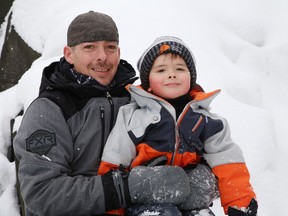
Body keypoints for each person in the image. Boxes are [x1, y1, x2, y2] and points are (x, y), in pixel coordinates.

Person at [13, 12, 193, 216]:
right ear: (69, 54)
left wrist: (194, 179)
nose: (102, 57)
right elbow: (42, 194)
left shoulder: (140, 101)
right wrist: (126, 187)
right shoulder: (50, 110)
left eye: (110, 47)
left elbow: (180, 152)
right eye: (89, 47)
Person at [98, 36, 258, 216]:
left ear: (191, 78)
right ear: (148, 83)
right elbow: (114, 162)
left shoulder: (207, 122)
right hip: (145, 200)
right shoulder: (133, 117)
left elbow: (228, 162)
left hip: (191, 200)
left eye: (180, 69)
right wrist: (113, 210)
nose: (171, 74)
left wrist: (240, 203)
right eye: (161, 70)